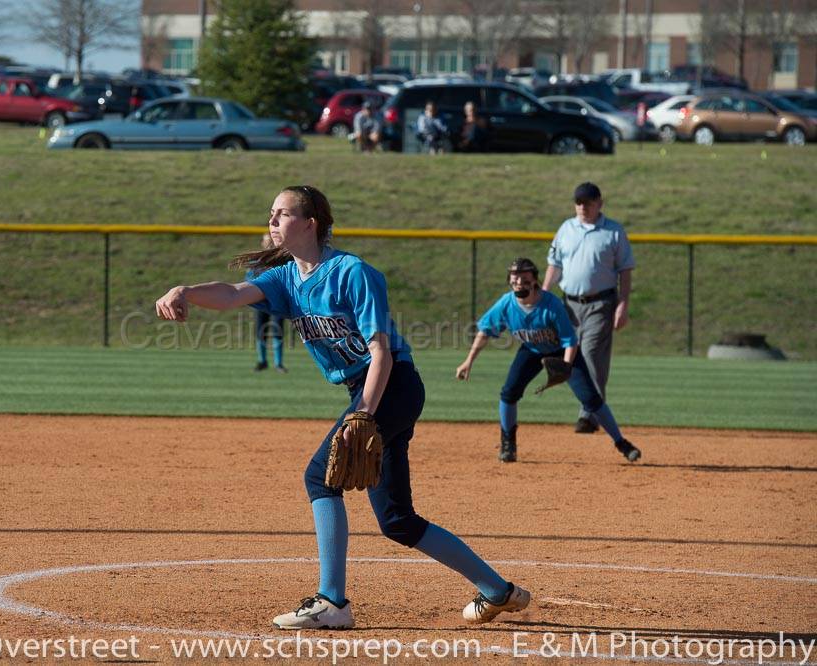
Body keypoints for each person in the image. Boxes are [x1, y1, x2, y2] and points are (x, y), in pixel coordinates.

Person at [156, 185, 530, 629]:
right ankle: (498, 591)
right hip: (367, 390)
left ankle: (332, 601)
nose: (272, 221)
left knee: (320, 475)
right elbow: (234, 294)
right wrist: (186, 290)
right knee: (397, 520)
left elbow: (382, 352)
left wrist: (363, 414)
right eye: (271, 213)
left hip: (390, 385)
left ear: (311, 222)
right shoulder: (285, 278)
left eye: (282, 213)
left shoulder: (353, 272)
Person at [457, 258, 641, 464]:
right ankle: (508, 443)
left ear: (535, 280)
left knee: (590, 399)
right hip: (532, 351)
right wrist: (468, 361)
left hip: (562, 351)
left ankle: (621, 442)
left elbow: (571, 341)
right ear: (509, 280)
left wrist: (566, 367)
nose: (519, 282)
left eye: (525, 278)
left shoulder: (551, 305)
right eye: (515, 278)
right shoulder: (506, 304)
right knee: (509, 393)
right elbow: (485, 331)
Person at [542, 183, 635, 435]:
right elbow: (554, 264)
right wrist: (544, 295)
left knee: (592, 355)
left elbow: (625, 270)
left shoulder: (613, 231)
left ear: (599, 204)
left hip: (601, 303)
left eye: (588, 202)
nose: (582, 207)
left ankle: (589, 415)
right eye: (578, 202)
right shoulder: (566, 228)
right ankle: (591, 409)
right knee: (572, 357)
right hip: (568, 304)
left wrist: (623, 304)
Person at [247, 234, 287, 372]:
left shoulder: (280, 260)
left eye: (271, 240)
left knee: (277, 331)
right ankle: (262, 361)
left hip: (277, 301)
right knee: (260, 331)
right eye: (266, 241)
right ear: (262, 243)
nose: (269, 243)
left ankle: (278, 363)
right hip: (261, 301)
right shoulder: (256, 261)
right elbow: (249, 280)